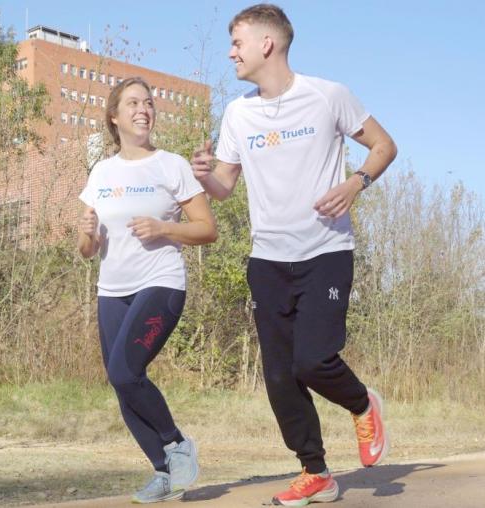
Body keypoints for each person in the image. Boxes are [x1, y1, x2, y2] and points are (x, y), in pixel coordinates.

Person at [190, 4, 397, 506]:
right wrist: (203, 174)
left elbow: (384, 146)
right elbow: (224, 184)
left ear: (267, 43)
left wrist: (356, 182)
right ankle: (316, 473)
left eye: (237, 42)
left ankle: (361, 402)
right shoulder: (239, 112)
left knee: (313, 360)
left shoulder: (328, 96)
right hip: (268, 260)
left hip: (325, 250)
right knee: (280, 374)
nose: (230, 52)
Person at [78, 77, 217, 504]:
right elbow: (87, 249)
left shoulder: (170, 164)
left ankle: (177, 445)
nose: (144, 109)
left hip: (160, 281)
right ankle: (163, 472)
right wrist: (87, 235)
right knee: (122, 382)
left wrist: (164, 227)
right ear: (114, 116)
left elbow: (207, 229)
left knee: (124, 370)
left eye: (149, 103)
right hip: (111, 288)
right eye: (134, 102)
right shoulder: (101, 171)